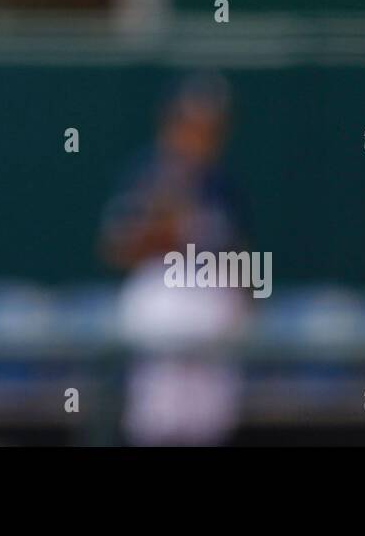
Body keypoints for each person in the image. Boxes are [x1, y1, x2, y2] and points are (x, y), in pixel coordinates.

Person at [98, 72, 252, 445]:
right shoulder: (146, 175)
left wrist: (248, 297)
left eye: (210, 128)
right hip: (162, 306)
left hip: (212, 313)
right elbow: (113, 247)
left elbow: (244, 256)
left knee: (207, 424)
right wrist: (169, 224)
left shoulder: (223, 187)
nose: (199, 137)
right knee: (158, 422)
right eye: (191, 124)